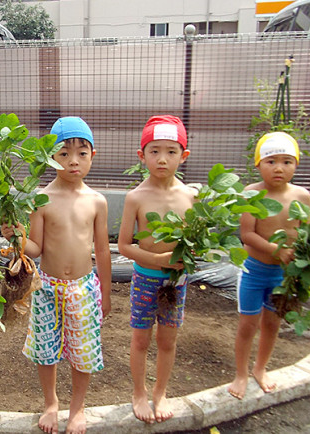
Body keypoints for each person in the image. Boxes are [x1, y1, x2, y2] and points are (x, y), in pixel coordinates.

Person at [1, 117, 112, 434]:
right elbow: (34, 248)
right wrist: (17, 236)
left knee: (83, 351)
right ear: (50, 157)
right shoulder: (41, 199)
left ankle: (77, 408)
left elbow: (103, 251)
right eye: (63, 153)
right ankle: (51, 403)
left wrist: (105, 292)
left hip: (84, 289)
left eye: (81, 153)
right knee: (45, 350)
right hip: (46, 287)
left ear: (93, 155)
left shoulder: (97, 202)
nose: (73, 161)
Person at [117, 115, 195, 423]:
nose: (162, 159)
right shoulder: (136, 197)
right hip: (145, 279)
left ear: (183, 155)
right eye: (154, 151)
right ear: (142, 155)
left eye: (171, 151)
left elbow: (196, 243)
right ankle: (139, 393)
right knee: (140, 340)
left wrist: (190, 254)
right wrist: (161, 261)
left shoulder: (191, 196)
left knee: (168, 340)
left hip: (178, 283)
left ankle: (160, 393)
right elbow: (125, 246)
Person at [228, 132, 310, 399]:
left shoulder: (302, 196)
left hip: (283, 275)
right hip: (254, 271)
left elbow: (307, 233)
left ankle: (260, 369)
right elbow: (248, 235)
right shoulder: (251, 194)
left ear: (296, 165)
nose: (279, 167)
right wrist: (279, 249)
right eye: (271, 160)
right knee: (247, 326)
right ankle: (241, 373)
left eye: (287, 161)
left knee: (273, 324)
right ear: (258, 164)